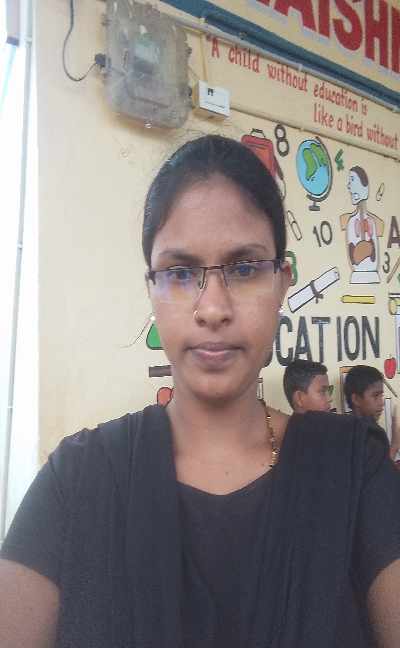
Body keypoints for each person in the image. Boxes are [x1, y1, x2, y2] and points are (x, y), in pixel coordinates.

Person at [1, 135, 400, 648]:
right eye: (181, 272)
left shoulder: (353, 471)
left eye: (244, 268)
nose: (212, 308)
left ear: (282, 283)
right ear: (151, 288)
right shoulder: (77, 481)